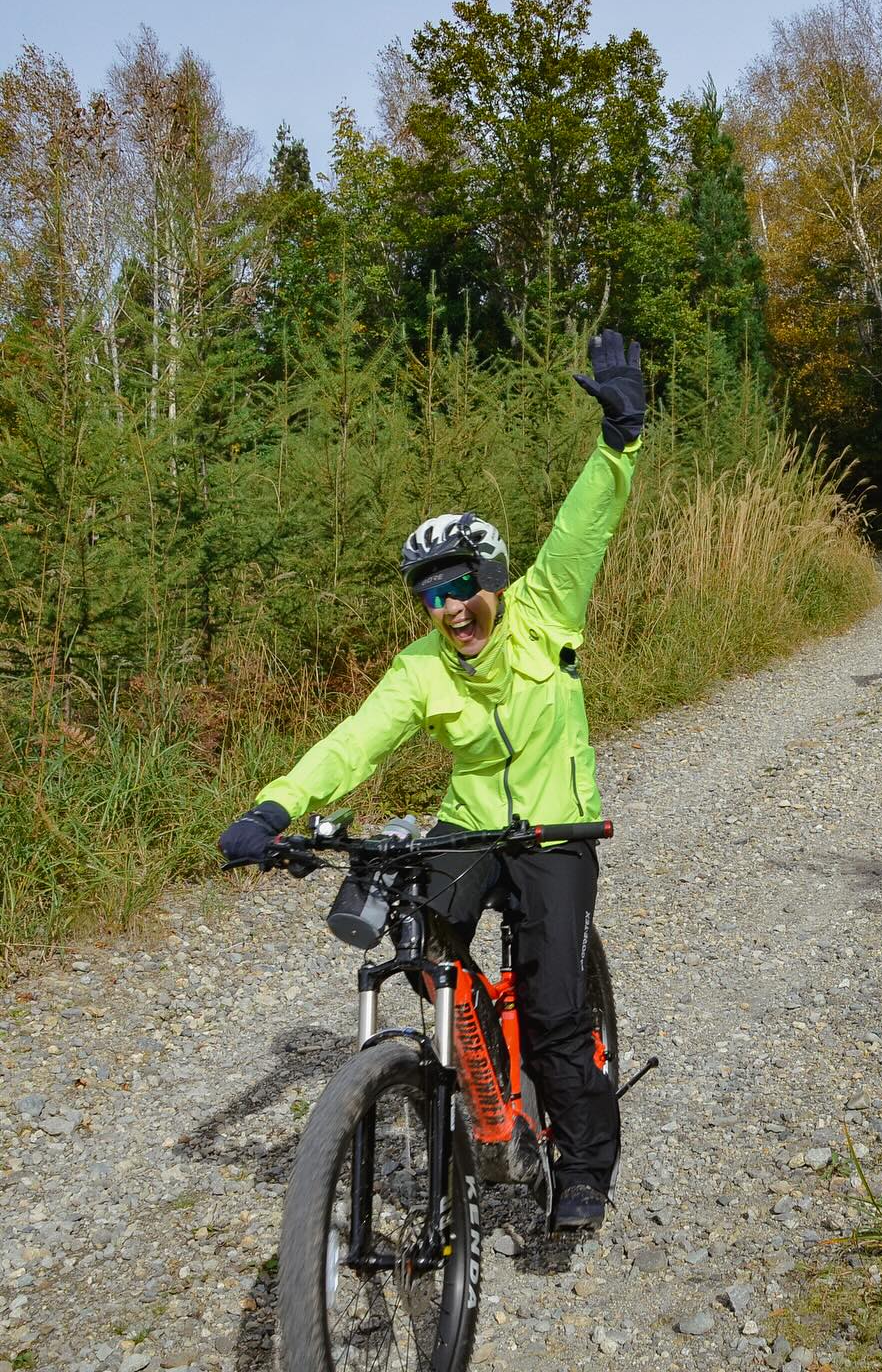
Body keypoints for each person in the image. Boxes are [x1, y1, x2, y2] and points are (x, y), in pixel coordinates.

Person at [218, 328, 647, 1233]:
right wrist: (278, 805)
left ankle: (583, 1164)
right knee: (416, 934)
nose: (449, 605)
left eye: (461, 584)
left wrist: (617, 443)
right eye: (430, 592)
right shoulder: (422, 666)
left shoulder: (542, 610)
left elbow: (583, 525)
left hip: (555, 829)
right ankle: (467, 1072)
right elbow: (356, 741)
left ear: (491, 578)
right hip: (469, 824)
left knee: (555, 1008)